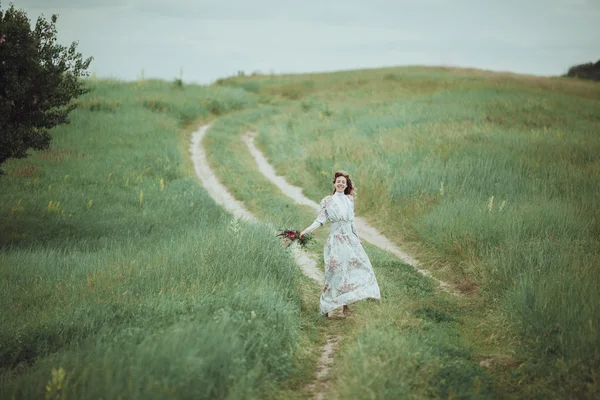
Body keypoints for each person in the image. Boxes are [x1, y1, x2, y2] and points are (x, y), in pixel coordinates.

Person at [300, 170, 381, 318]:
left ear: (346, 185)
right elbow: (320, 220)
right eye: (338, 181)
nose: (341, 183)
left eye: (343, 182)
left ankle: (345, 304)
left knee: (352, 269)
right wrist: (307, 230)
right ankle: (329, 306)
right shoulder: (327, 201)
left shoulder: (349, 200)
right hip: (336, 241)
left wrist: (357, 237)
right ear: (334, 183)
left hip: (349, 240)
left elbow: (351, 222)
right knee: (335, 272)